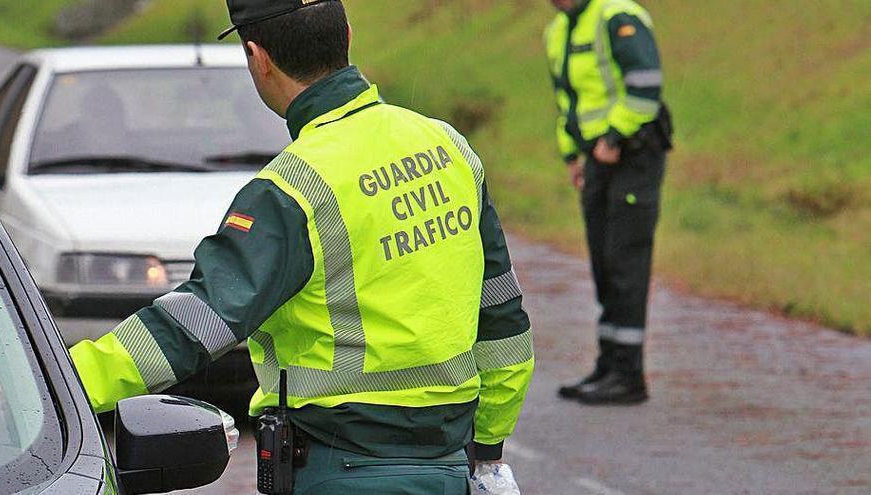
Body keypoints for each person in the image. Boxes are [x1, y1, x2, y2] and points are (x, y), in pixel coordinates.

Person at [69, 0, 534, 492]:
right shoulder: (448, 147)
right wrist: (488, 453)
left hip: (341, 473)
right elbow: (503, 318)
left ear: (257, 57)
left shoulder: (293, 189)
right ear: (347, 34)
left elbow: (193, 324)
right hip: (452, 469)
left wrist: (59, 383)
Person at [545, 0, 672, 405]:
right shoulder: (558, 32)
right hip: (596, 159)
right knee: (603, 259)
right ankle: (609, 365)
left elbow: (646, 84)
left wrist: (614, 137)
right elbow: (568, 103)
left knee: (626, 259)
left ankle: (629, 374)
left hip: (633, 152)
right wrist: (572, 154)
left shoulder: (618, 16)